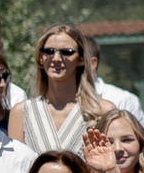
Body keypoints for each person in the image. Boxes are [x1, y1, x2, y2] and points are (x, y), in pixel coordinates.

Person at [7, 25, 103, 155]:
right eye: (49, 51)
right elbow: (16, 164)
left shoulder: (100, 111)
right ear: (40, 58)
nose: (56, 58)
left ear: (81, 59)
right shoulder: (21, 112)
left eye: (67, 52)